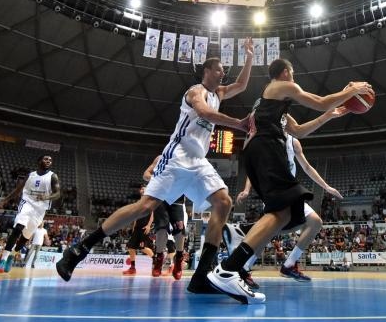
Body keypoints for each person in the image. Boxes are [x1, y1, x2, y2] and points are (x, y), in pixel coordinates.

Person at [56, 41, 255, 296]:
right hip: (177, 155)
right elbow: (204, 113)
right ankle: (79, 249)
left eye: (224, 70)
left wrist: (248, 57)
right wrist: (239, 124)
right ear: (206, 71)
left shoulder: (221, 94)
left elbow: (242, 84)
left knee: (224, 202)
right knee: (145, 207)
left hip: (198, 161)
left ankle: (202, 275)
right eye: (218, 69)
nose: (222, 72)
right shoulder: (196, 91)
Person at [208, 58, 372, 304]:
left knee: (283, 214)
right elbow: (318, 101)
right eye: (293, 74)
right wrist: (352, 90)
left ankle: (239, 239)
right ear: (285, 72)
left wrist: (330, 115)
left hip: (256, 152)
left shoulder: (273, 105)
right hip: (265, 149)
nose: (294, 79)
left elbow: (299, 132)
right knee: (282, 213)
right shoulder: (280, 86)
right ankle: (229, 269)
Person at [228, 108, 346, 286]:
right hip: (275, 191)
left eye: (284, 119)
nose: (282, 122)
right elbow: (255, 168)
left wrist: (327, 187)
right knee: (268, 232)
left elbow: (307, 168)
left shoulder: (293, 142)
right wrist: (246, 189)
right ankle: (244, 263)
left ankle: (288, 264)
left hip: (291, 191)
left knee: (315, 222)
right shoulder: (267, 142)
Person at [0, 155, 61, 273]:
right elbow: (18, 190)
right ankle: (3, 260)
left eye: (50, 160)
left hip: (40, 210)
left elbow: (57, 193)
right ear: (39, 161)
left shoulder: (53, 176)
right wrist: (4, 201)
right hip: (27, 203)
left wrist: (47, 196)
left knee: (26, 236)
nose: (48, 161)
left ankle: (13, 254)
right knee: (18, 227)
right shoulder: (31, 175)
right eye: (46, 159)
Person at [142, 155, 187, 280]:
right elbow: (146, 174)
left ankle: (178, 259)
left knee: (179, 229)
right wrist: (155, 178)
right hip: (160, 198)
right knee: (161, 229)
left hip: (177, 199)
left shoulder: (185, 159)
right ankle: (159, 259)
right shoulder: (160, 158)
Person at [122, 184, 154, 276]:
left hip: (144, 228)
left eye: (144, 188)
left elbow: (152, 216)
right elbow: (136, 216)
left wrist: (148, 225)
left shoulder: (150, 201)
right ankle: (132, 268)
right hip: (137, 228)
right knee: (131, 247)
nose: (142, 190)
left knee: (143, 248)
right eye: (141, 189)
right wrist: (134, 227)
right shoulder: (139, 202)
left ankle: (156, 263)